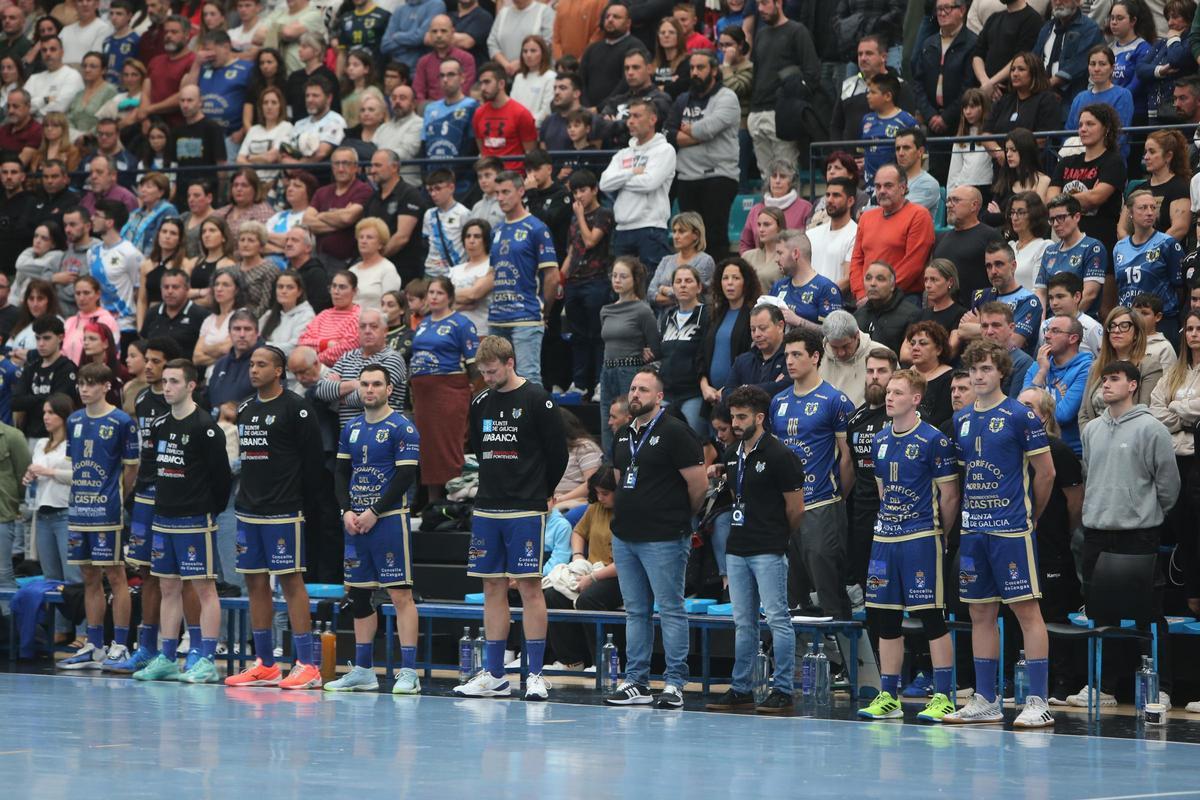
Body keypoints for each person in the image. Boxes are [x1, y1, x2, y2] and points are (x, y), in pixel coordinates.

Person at [943, 339, 1055, 727]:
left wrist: (1031, 516)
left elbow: (1046, 473)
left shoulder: (1020, 415)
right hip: (974, 531)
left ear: (1002, 372)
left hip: (1011, 530)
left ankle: (1038, 700)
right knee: (979, 612)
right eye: (974, 369)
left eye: (986, 369)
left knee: (1027, 611)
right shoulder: (961, 419)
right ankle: (986, 699)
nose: (978, 376)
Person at [455, 336, 567, 700]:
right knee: (492, 587)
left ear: (510, 362)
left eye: (492, 372)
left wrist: (542, 490)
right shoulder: (480, 401)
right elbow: (477, 448)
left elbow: (558, 454)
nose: (487, 378)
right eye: (483, 373)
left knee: (530, 587)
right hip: (488, 506)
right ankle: (495, 674)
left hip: (525, 506)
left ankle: (534, 673)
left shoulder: (538, 399)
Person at [856, 368, 961, 722]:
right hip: (885, 538)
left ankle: (943, 696)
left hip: (920, 537)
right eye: (888, 391)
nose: (889, 397)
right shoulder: (879, 440)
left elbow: (950, 496)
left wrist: (939, 533)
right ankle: (889, 696)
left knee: (930, 616)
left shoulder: (934, 440)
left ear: (915, 399)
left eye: (898, 392)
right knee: (885, 617)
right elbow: (882, 490)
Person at [1077, 359, 1180, 708]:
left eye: (1114, 379)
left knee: (1147, 613)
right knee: (1100, 612)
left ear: (1133, 385)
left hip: (1138, 533)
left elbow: (1168, 485)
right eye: (1103, 379)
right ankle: (1103, 687)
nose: (1105, 385)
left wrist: (1145, 513)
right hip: (1096, 531)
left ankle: (1160, 687)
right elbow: (1089, 474)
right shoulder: (1092, 429)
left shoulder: (1152, 428)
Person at [221, 344, 325, 689]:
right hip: (249, 509)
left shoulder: (297, 408)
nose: (253, 370)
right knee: (254, 582)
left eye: (261, 364)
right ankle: (265, 663)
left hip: (284, 509)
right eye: (251, 364)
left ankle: (307, 664)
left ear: (278, 371)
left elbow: (313, 462)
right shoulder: (246, 409)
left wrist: (302, 503)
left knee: (291, 582)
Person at [603, 366, 705, 707]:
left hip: (664, 537)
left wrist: (676, 516)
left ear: (659, 397)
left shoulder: (676, 432)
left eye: (643, 390)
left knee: (671, 609)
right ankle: (637, 681)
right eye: (633, 389)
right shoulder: (622, 434)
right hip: (626, 536)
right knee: (635, 612)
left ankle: (675, 683)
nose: (635, 394)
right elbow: (620, 479)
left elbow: (698, 486)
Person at [131, 359, 233, 683]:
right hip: (164, 517)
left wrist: (208, 510)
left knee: (204, 588)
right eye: (164, 381)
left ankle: (206, 658)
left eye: (174, 381)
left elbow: (222, 478)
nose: (167, 387)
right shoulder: (160, 425)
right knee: (168, 586)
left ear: (191, 386)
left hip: (195, 518)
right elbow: (153, 469)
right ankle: (166, 656)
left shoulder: (205, 427)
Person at [703, 384, 803, 713]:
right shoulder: (732, 454)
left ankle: (783, 688)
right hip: (737, 547)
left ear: (760, 418)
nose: (735, 423)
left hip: (768, 548)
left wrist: (776, 535)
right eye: (733, 417)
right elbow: (737, 496)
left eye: (742, 417)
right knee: (743, 621)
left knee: (777, 618)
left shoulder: (780, 454)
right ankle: (741, 687)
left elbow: (796, 509)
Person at [322, 364, 421, 693]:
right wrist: (347, 511)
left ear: (389, 389)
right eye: (364, 384)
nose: (369, 389)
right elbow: (340, 473)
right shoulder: (351, 427)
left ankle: (409, 672)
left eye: (377, 384)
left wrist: (375, 512)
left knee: (400, 594)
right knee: (359, 594)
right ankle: (364, 670)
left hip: (388, 520)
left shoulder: (402, 427)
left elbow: (405, 476)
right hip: (356, 523)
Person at [50, 363, 137, 670]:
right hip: (78, 509)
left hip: (107, 511)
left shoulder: (121, 421)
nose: (84, 389)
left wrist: (117, 496)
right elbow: (75, 466)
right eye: (81, 384)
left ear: (105, 386)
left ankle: (121, 645)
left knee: (115, 575)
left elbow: (131, 467)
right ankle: (95, 645)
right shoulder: (74, 420)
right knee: (88, 576)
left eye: (90, 384)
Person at [770, 328, 855, 616]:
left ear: (815, 357)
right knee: (791, 592)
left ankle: (843, 644)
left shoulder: (835, 400)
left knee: (827, 586)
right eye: (786, 355)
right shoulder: (778, 402)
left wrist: (837, 498)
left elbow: (847, 459)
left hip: (822, 503)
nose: (789, 361)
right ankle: (798, 646)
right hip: (786, 506)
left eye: (797, 354)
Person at [486, 170, 559, 387]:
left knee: (528, 378)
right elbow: (493, 273)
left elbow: (552, 276)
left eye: (506, 192)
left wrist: (544, 310)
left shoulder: (537, 228)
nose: (500, 198)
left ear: (520, 191)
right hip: (497, 316)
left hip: (525, 315)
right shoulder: (496, 230)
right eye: (497, 193)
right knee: (495, 378)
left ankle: (534, 413)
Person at [409, 276, 478, 501]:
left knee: (448, 444)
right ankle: (433, 503)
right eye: (431, 292)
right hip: (423, 395)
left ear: (449, 297)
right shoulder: (423, 323)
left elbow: (474, 363)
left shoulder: (461, 324)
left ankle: (455, 500)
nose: (434, 297)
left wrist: (472, 386)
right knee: (427, 447)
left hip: (448, 391)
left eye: (439, 293)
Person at [667, 49, 739, 257]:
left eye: (700, 67)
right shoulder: (682, 99)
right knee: (690, 240)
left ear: (714, 70)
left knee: (715, 238)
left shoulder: (727, 97)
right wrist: (700, 134)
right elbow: (668, 133)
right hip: (687, 177)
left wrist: (689, 130)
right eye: (692, 68)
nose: (695, 72)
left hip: (719, 176)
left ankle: (717, 277)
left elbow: (709, 128)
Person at [1050, 102, 1127, 276]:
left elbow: (1096, 198)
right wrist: (1086, 195)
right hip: (1068, 244)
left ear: (1106, 128)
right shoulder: (1066, 162)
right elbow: (1051, 200)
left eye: (1090, 124)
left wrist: (1064, 198)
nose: (1083, 129)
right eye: (1080, 125)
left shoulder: (1113, 162)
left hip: (1102, 241)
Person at [598, 98, 675, 271]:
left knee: (650, 284)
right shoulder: (623, 153)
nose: (630, 121)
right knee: (621, 286)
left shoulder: (665, 150)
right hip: (622, 229)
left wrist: (620, 180)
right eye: (629, 116)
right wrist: (632, 172)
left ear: (652, 119)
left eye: (636, 116)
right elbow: (604, 183)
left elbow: (649, 183)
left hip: (651, 229)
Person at [844, 347, 897, 595]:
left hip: (896, 508)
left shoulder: (904, 415)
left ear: (894, 375)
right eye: (870, 371)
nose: (875, 376)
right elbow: (849, 465)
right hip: (862, 508)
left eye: (882, 371)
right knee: (867, 578)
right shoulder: (854, 419)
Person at [746, 0, 817, 176]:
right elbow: (756, 72)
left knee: (786, 172)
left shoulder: (797, 31)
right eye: (758, 4)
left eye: (764, 3)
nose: (760, 9)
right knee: (765, 175)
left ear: (778, 2)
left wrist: (791, 104)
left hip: (781, 112)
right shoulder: (761, 34)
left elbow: (812, 73)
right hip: (757, 111)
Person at [848, 164, 936, 303]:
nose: (882, 191)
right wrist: (861, 293)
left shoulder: (919, 216)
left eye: (888, 186)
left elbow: (913, 265)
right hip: (866, 299)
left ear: (903, 188)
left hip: (902, 298)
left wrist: (881, 292)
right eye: (878, 186)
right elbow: (856, 261)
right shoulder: (866, 218)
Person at [1079, 306, 1172, 428]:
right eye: (1112, 326)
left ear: (1136, 333)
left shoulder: (1149, 366)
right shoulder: (1097, 365)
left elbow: (1145, 412)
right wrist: (1091, 436)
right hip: (1095, 435)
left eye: (1124, 326)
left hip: (1130, 435)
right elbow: (1084, 413)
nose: (1116, 330)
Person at [1115, 190, 1185, 347]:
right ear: (1130, 213)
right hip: (1129, 321)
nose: (1149, 212)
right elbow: (1119, 286)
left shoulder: (1167, 243)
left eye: (1153, 207)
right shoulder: (1119, 247)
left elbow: (1180, 288)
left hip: (1162, 321)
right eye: (1143, 208)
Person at [1023, 313, 1094, 454]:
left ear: (1073, 338)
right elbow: (1021, 409)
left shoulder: (1085, 368)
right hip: (1034, 448)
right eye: (1047, 330)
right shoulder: (1038, 365)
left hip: (1070, 453)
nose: (1047, 336)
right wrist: (1042, 372)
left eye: (1055, 331)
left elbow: (1062, 415)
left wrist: (1033, 411)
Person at [963, 241, 1044, 357]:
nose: (993, 271)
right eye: (989, 266)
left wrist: (979, 326)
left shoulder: (1029, 301)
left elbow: (1014, 342)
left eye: (999, 264)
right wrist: (998, 331)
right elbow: (963, 331)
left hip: (1014, 365)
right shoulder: (981, 295)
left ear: (1013, 266)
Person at [912, 0, 978, 143]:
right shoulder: (928, 44)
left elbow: (969, 85)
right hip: (932, 123)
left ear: (962, 10)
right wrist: (930, 115)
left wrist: (946, 117)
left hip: (961, 122)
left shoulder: (973, 43)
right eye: (939, 9)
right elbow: (918, 83)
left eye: (947, 8)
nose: (942, 13)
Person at [1035, 194, 1106, 313]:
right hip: (1052, 320)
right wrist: (1042, 322)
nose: (1056, 224)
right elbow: (1041, 293)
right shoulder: (1050, 251)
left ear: (1077, 217)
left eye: (1061, 217)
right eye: (1052, 219)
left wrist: (1068, 320)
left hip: (1081, 319)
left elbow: (1090, 294)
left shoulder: (1093, 247)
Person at [932, 185, 1000, 305]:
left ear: (974, 205)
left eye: (956, 200)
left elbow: (1001, 275)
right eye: (948, 200)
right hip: (943, 310)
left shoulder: (990, 236)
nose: (948, 205)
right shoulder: (940, 237)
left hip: (977, 310)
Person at [1121, 130, 1191, 242]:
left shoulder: (1180, 187)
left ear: (1168, 156)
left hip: (1166, 251)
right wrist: (1131, 248)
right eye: (1146, 152)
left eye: (1152, 152)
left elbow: (1179, 228)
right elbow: (1122, 228)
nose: (1146, 157)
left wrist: (1152, 248)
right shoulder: (1137, 189)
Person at [768, 229, 842, 333]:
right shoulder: (778, 286)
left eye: (780, 253)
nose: (776, 259)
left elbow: (835, 333)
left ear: (795, 254)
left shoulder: (826, 288)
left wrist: (799, 321)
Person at [1033, 0, 1104, 107]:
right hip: (1042, 96)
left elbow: (1076, 65)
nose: (1058, 2)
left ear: (1077, 2)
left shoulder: (1090, 29)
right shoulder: (1047, 28)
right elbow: (1034, 59)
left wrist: (1044, 86)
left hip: (1072, 98)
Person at [738, 161, 814, 254]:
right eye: (774, 176)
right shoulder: (755, 210)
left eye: (782, 176)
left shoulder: (805, 208)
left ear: (791, 182)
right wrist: (752, 261)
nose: (777, 181)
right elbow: (745, 244)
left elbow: (811, 242)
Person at [472, 62, 537, 169]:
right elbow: (482, 148)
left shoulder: (521, 113)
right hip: (487, 173)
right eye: (481, 83)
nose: (482, 88)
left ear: (501, 84)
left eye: (487, 82)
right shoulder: (478, 113)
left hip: (514, 174)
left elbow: (530, 153)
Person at [859, 74, 919, 190]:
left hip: (895, 186)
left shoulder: (906, 121)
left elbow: (920, 155)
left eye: (873, 92)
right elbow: (862, 151)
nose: (868, 96)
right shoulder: (866, 119)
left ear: (887, 96)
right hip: (869, 186)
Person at [578, 3, 640, 108]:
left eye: (616, 17)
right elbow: (581, 80)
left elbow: (626, 84)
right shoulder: (592, 49)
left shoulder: (634, 47)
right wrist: (586, 107)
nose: (610, 20)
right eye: (607, 17)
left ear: (628, 23)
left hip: (617, 111)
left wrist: (600, 108)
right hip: (587, 111)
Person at [984, 52, 1062, 136]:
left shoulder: (1047, 100)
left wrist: (1012, 145)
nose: (1015, 74)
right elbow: (986, 133)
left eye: (1021, 69)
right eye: (1012, 70)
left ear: (1034, 73)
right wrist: (995, 145)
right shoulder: (1003, 101)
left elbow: (1044, 137)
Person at [855, 261, 921, 357]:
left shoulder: (911, 315)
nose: (872, 284)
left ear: (892, 286)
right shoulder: (859, 315)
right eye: (868, 278)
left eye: (880, 279)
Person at [298, 270, 362, 368]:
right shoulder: (324, 315)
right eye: (334, 286)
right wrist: (326, 344)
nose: (336, 291)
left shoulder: (359, 317)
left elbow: (345, 351)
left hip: (341, 371)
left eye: (342, 287)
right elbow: (302, 342)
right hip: (312, 369)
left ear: (354, 291)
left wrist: (314, 362)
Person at [808, 178, 857, 293]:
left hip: (835, 301)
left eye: (836, 195)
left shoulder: (856, 233)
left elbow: (848, 279)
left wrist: (821, 295)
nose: (830, 200)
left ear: (850, 201)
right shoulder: (811, 233)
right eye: (827, 195)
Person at [1038, 272, 1105, 355]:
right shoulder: (1045, 326)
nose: (1054, 303)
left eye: (1060, 297)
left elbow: (1104, 360)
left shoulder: (1092, 327)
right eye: (1051, 298)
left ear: (1077, 297)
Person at [421, 168, 469, 278]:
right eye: (430, 190)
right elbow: (427, 243)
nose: (433, 194)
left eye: (438, 189)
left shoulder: (463, 213)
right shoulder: (429, 214)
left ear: (451, 188)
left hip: (454, 273)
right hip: (430, 271)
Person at [259, 270, 315, 363]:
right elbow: (255, 338)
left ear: (299, 292)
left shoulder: (307, 315)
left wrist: (263, 346)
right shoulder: (269, 314)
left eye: (289, 287)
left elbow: (295, 346)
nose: (284, 291)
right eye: (280, 287)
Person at [24, 36, 83, 118]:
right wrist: (46, 99)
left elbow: (60, 106)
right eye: (44, 50)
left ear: (62, 52)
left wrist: (35, 111)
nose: (48, 53)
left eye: (53, 49)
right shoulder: (34, 78)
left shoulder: (72, 75)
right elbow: (21, 105)